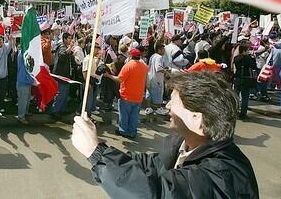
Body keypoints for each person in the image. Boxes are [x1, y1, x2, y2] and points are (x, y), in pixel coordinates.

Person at [72, 72, 259, 198]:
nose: (167, 106)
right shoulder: (185, 146)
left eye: (173, 101)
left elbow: (158, 191)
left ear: (196, 118)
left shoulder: (222, 175)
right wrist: (101, 150)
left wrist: (96, 152)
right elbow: (152, 165)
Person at [103, 48, 149, 138]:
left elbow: (119, 79)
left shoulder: (128, 66)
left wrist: (108, 75)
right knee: (134, 116)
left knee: (124, 115)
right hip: (138, 95)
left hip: (127, 95)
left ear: (131, 56)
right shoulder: (144, 66)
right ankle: (132, 132)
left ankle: (123, 131)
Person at [50, 32, 74, 118]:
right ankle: (55, 110)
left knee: (65, 93)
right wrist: (70, 48)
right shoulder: (62, 47)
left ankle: (62, 109)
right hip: (61, 74)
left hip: (65, 74)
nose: (70, 40)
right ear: (64, 39)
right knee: (61, 93)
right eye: (69, 38)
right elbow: (62, 55)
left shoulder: (65, 47)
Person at [233, 44, 257, 119]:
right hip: (245, 79)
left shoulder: (236, 58)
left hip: (237, 78)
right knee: (245, 97)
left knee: (236, 96)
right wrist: (253, 58)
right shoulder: (247, 58)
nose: (248, 52)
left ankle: (234, 111)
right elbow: (253, 66)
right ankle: (243, 113)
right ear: (243, 51)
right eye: (247, 50)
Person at [146, 43, 169, 116]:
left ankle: (148, 108)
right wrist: (166, 72)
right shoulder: (159, 57)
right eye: (163, 49)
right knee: (158, 93)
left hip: (150, 77)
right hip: (157, 78)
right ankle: (159, 109)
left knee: (149, 93)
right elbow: (158, 68)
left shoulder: (153, 56)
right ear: (159, 50)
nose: (164, 51)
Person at [16, 50, 35, 124]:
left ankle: (25, 112)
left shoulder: (27, 53)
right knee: (23, 100)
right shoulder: (22, 54)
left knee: (27, 99)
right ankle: (21, 117)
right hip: (23, 80)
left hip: (28, 80)